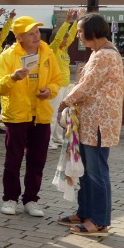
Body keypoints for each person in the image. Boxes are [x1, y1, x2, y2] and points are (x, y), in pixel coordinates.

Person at [57, 13, 124, 236]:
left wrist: (64, 102)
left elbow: (86, 86)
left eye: (79, 30)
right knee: (86, 171)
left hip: (98, 123)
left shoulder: (103, 55)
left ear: (92, 31)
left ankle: (99, 221)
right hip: (91, 121)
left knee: (96, 173)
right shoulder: (101, 52)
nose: (78, 34)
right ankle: (85, 212)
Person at [0, 16, 61, 217]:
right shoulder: (8, 56)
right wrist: (13, 78)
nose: (36, 36)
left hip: (41, 115)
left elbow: (57, 81)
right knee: (13, 159)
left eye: (37, 32)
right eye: (31, 33)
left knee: (37, 159)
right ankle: (10, 198)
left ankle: (31, 199)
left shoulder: (47, 53)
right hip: (17, 115)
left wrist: (50, 90)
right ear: (19, 36)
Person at [48, 9, 78, 150]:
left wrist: (76, 21)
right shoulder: (52, 49)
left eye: (66, 39)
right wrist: (66, 21)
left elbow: (72, 36)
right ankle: (48, 140)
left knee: (62, 114)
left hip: (65, 85)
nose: (66, 41)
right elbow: (59, 38)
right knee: (53, 113)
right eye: (64, 39)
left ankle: (58, 137)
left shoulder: (63, 51)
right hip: (56, 86)